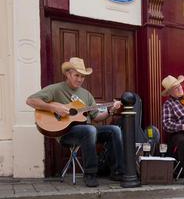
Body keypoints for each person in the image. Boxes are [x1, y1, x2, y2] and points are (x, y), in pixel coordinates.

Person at [26, 57, 124, 187]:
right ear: (67, 74)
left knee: (114, 130)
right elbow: (31, 100)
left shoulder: (86, 94)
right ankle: (90, 174)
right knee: (90, 129)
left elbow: (96, 117)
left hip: (88, 131)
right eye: (76, 75)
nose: (80, 79)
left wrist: (110, 111)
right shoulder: (55, 89)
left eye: (82, 76)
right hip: (66, 133)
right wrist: (54, 107)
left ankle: (117, 171)